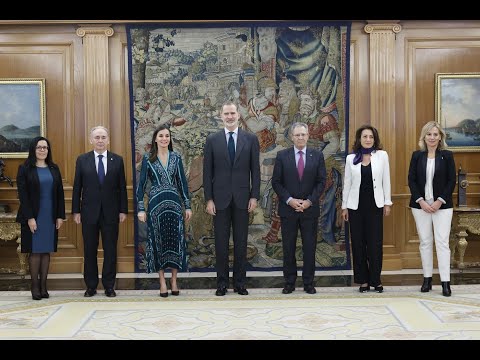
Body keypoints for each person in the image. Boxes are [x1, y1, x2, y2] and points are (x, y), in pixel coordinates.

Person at [203, 101, 260, 296]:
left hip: (243, 199)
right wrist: (208, 199)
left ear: (238, 114)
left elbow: (256, 171)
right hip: (219, 200)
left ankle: (240, 283)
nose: (229, 116)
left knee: (241, 242)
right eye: (226, 113)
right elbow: (207, 172)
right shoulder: (212, 140)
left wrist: (255, 196)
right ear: (221, 116)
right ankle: (221, 284)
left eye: (232, 113)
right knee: (220, 243)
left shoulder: (251, 139)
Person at [136, 125, 192, 297]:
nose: (164, 139)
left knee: (175, 241)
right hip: (155, 205)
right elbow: (141, 185)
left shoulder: (176, 158)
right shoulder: (148, 158)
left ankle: (174, 280)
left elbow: (182, 183)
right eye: (161, 136)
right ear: (155, 139)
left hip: (174, 205)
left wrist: (188, 205)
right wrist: (140, 208)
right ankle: (161, 281)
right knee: (158, 242)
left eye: (167, 136)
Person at [72, 126, 128, 298]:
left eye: (103, 137)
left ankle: (109, 286)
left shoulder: (117, 160)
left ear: (108, 140)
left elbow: (122, 188)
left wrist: (123, 210)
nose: (100, 140)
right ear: (91, 140)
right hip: (88, 213)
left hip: (111, 213)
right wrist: (76, 211)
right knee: (90, 250)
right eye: (97, 137)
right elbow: (77, 188)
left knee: (111, 250)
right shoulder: (82, 160)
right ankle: (91, 286)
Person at [271, 122, 326, 295]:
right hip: (288, 210)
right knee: (289, 248)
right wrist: (289, 200)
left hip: (310, 210)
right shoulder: (282, 156)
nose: (300, 137)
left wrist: (309, 201)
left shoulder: (317, 156)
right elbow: (276, 182)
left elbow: (321, 182)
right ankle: (289, 282)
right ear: (292, 137)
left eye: (303, 134)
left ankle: (309, 283)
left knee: (310, 248)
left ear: (308, 135)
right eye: (297, 135)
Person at [341, 125, 392, 293]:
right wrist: (344, 207)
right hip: (355, 208)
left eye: (371, 136)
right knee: (358, 244)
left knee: (375, 244)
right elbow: (347, 184)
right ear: (359, 139)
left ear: (374, 139)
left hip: (375, 207)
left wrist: (387, 202)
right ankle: (363, 280)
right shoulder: (351, 159)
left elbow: (386, 180)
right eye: (365, 136)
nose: (368, 139)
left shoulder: (382, 156)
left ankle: (375, 280)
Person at [408, 121, 455, 297]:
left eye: (436, 134)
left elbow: (452, 181)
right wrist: (421, 201)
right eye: (429, 134)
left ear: (440, 137)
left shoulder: (447, 156)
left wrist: (439, 201)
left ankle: (445, 282)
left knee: (442, 243)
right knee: (425, 242)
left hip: (442, 207)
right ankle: (427, 280)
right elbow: (411, 180)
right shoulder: (416, 156)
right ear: (424, 137)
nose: (432, 137)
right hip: (420, 206)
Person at [16, 137, 65, 300]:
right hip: (34, 216)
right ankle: (34, 286)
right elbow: (23, 196)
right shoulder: (25, 169)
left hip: (50, 215)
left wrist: (60, 216)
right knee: (35, 251)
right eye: (39, 147)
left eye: (45, 147)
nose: (43, 150)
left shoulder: (54, 168)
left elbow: (60, 194)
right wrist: (30, 218)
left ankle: (44, 286)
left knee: (46, 251)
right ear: (33, 149)